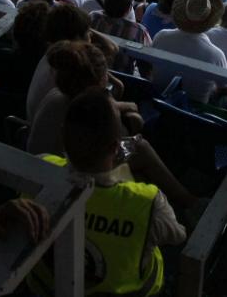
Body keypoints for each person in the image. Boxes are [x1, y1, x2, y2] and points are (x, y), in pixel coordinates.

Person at [25, 87, 185, 296]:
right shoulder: (147, 201)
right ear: (115, 147)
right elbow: (178, 235)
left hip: (45, 288)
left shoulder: (38, 168)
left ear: (63, 135)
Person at [149, 0, 227, 102]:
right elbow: (224, 89)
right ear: (210, 21)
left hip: (158, 102)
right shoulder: (216, 55)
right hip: (193, 115)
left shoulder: (160, 36)